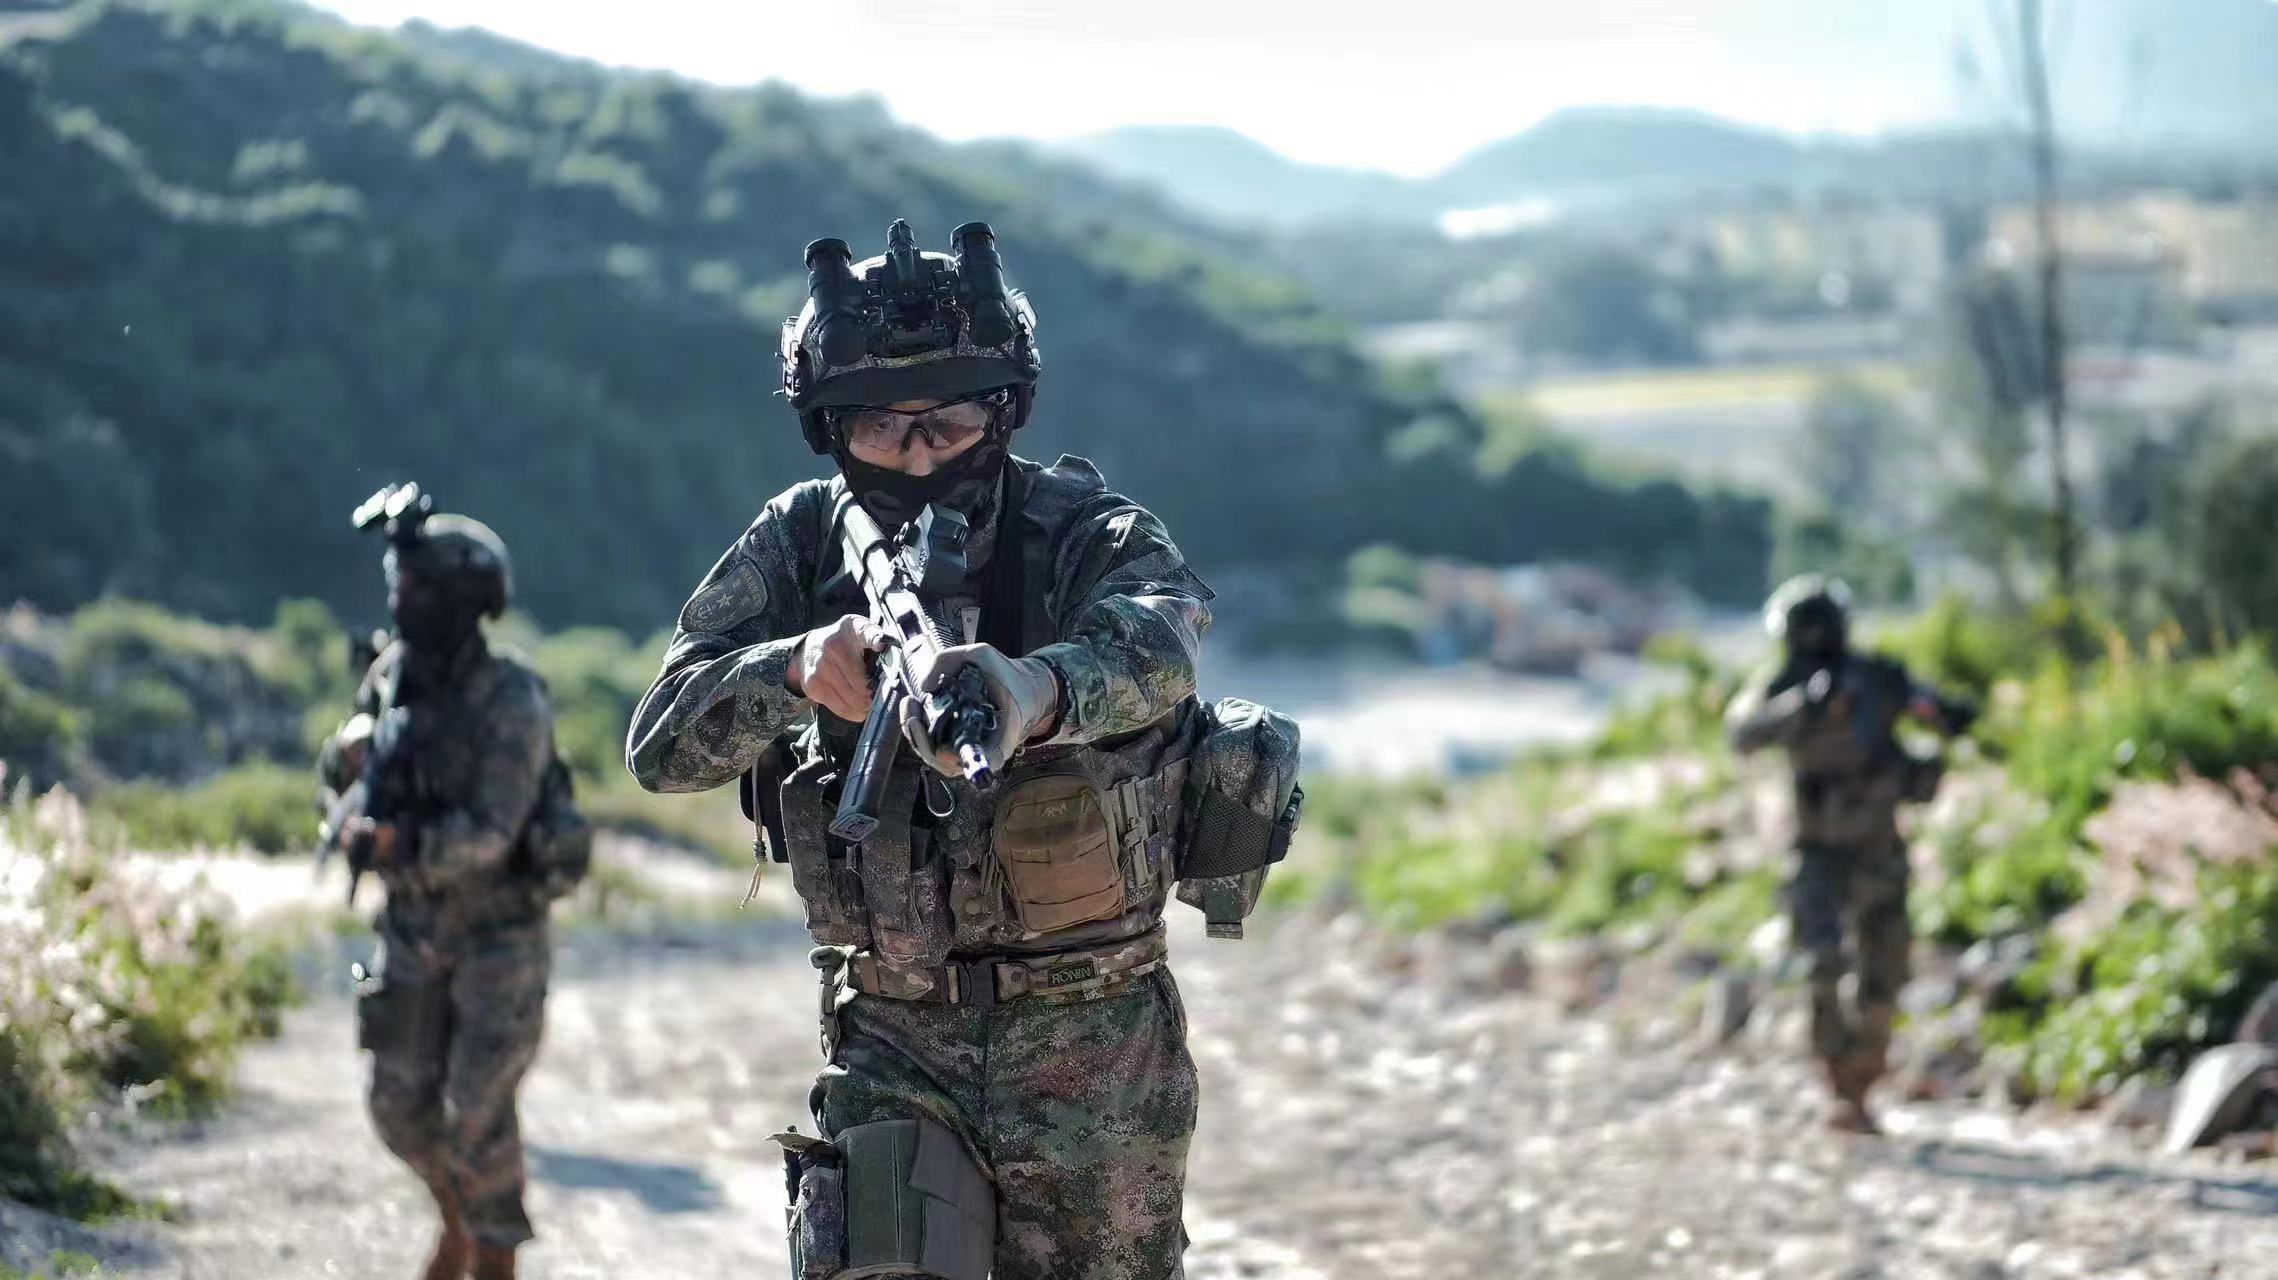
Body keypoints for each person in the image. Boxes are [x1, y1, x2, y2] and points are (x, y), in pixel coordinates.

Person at [628, 220, 1297, 1280]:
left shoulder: (1084, 528)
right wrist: (790, 668)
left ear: (1005, 410)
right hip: (895, 1038)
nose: (918, 455)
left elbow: (1162, 644)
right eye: (879, 428)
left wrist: (1036, 689)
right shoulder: (800, 542)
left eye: (948, 423)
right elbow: (660, 745)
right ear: (827, 427)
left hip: (1092, 1039)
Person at [319, 485, 588, 1280]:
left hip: (500, 934)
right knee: (398, 1106)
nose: (404, 604)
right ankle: (456, 1220)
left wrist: (404, 845)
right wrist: (347, 773)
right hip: (413, 927)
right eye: (400, 587)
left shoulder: (512, 695)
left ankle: (494, 1257)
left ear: (467, 604)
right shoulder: (392, 678)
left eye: (422, 590)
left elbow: (495, 829)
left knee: (477, 1108)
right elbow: (341, 778)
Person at [1725, 574, 1971, 1134]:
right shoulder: (1782, 686)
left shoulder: (1880, 679)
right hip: (1818, 854)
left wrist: (1944, 716)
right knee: (1822, 966)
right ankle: (1839, 1081)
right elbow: (1742, 732)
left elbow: (1935, 709)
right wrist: (1801, 708)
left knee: (1886, 973)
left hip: (1878, 848)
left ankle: (1862, 1080)